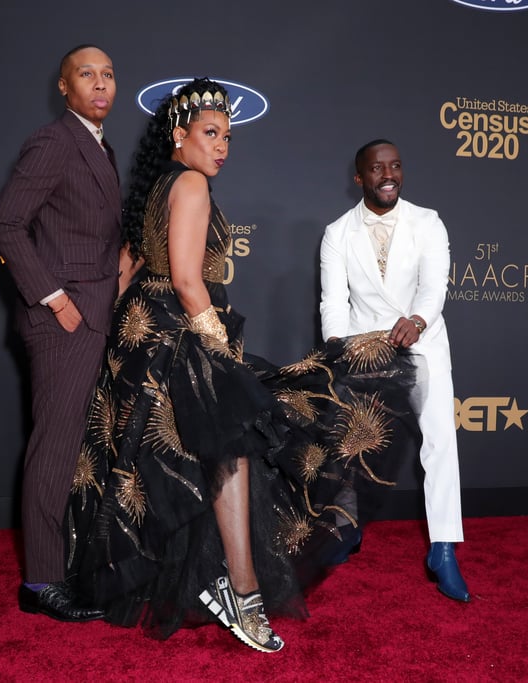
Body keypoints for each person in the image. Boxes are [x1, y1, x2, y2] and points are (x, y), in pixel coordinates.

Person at [64, 80, 423, 653]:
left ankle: (220, 584)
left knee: (186, 460)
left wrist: (104, 345)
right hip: (179, 332)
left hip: (141, 336)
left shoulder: (155, 186)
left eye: (227, 136)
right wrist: (220, 352)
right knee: (233, 444)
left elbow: (126, 268)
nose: (222, 146)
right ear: (179, 136)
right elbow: (186, 279)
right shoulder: (191, 183)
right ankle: (245, 593)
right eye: (210, 134)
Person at [0, 44, 136, 622]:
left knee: (73, 444)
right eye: (86, 75)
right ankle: (41, 582)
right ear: (64, 87)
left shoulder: (98, 144)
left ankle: (63, 566)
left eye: (108, 73)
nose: (100, 84)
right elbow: (5, 223)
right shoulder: (55, 140)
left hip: (94, 313)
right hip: (63, 323)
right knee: (55, 447)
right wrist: (54, 298)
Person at [319, 139, 470, 602]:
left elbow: (433, 287)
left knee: (441, 442)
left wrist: (418, 321)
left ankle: (443, 548)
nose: (389, 175)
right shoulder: (337, 233)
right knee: (350, 445)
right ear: (359, 177)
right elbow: (334, 303)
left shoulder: (428, 222)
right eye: (377, 168)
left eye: (396, 166)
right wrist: (341, 351)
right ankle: (347, 529)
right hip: (365, 350)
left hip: (423, 345)